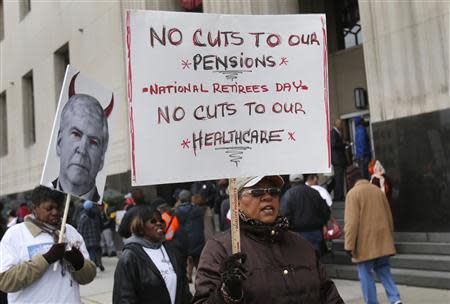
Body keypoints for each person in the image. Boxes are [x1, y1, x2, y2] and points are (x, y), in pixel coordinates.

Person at [193, 175, 343, 304]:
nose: (267, 197)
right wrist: (227, 293)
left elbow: (329, 296)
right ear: (236, 202)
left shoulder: (301, 244)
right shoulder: (220, 248)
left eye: (273, 191)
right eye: (257, 192)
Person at [0, 186, 96, 303]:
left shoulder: (71, 232)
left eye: (58, 207)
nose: (55, 212)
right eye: (49, 208)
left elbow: (89, 276)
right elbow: (5, 281)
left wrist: (79, 264)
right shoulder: (15, 234)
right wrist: (47, 259)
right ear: (35, 208)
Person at [51, 72, 114, 202]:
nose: (82, 149)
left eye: (93, 142)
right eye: (76, 134)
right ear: (59, 142)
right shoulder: (45, 202)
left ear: (102, 158)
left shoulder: (101, 212)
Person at [344, 166, 402, 304]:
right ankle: (395, 299)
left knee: (365, 275)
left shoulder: (353, 194)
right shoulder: (377, 191)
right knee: (384, 271)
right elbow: (389, 216)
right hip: (382, 241)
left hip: (364, 245)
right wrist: (390, 238)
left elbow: (351, 223)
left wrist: (349, 245)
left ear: (349, 179)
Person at [113, 205, 192, 303]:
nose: (159, 223)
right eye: (153, 221)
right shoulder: (130, 257)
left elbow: (184, 289)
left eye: (161, 221)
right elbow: (123, 298)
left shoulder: (172, 250)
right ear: (140, 226)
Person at [280, 176, 330, 253]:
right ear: (304, 180)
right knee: (314, 257)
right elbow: (325, 211)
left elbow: (284, 214)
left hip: (296, 233)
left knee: (299, 258)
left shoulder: (289, 194)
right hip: (315, 231)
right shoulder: (314, 192)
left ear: (290, 182)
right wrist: (322, 223)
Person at [175, 190, 205, 283]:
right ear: (190, 198)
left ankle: (186, 280)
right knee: (199, 264)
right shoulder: (198, 210)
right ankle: (202, 282)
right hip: (197, 241)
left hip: (183, 241)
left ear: (180, 199)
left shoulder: (176, 212)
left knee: (182, 265)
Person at [78, 200, 104, 271]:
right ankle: (96, 266)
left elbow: (80, 230)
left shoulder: (83, 217)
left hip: (86, 240)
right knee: (93, 254)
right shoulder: (96, 216)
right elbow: (99, 227)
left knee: (87, 255)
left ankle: (91, 269)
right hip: (95, 239)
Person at [330, 118, 349, 201]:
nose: (341, 126)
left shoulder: (338, 133)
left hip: (340, 159)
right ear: (336, 124)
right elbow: (333, 145)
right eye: (340, 124)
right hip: (337, 160)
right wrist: (343, 144)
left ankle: (340, 195)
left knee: (340, 178)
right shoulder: (333, 133)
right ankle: (339, 196)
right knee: (338, 179)